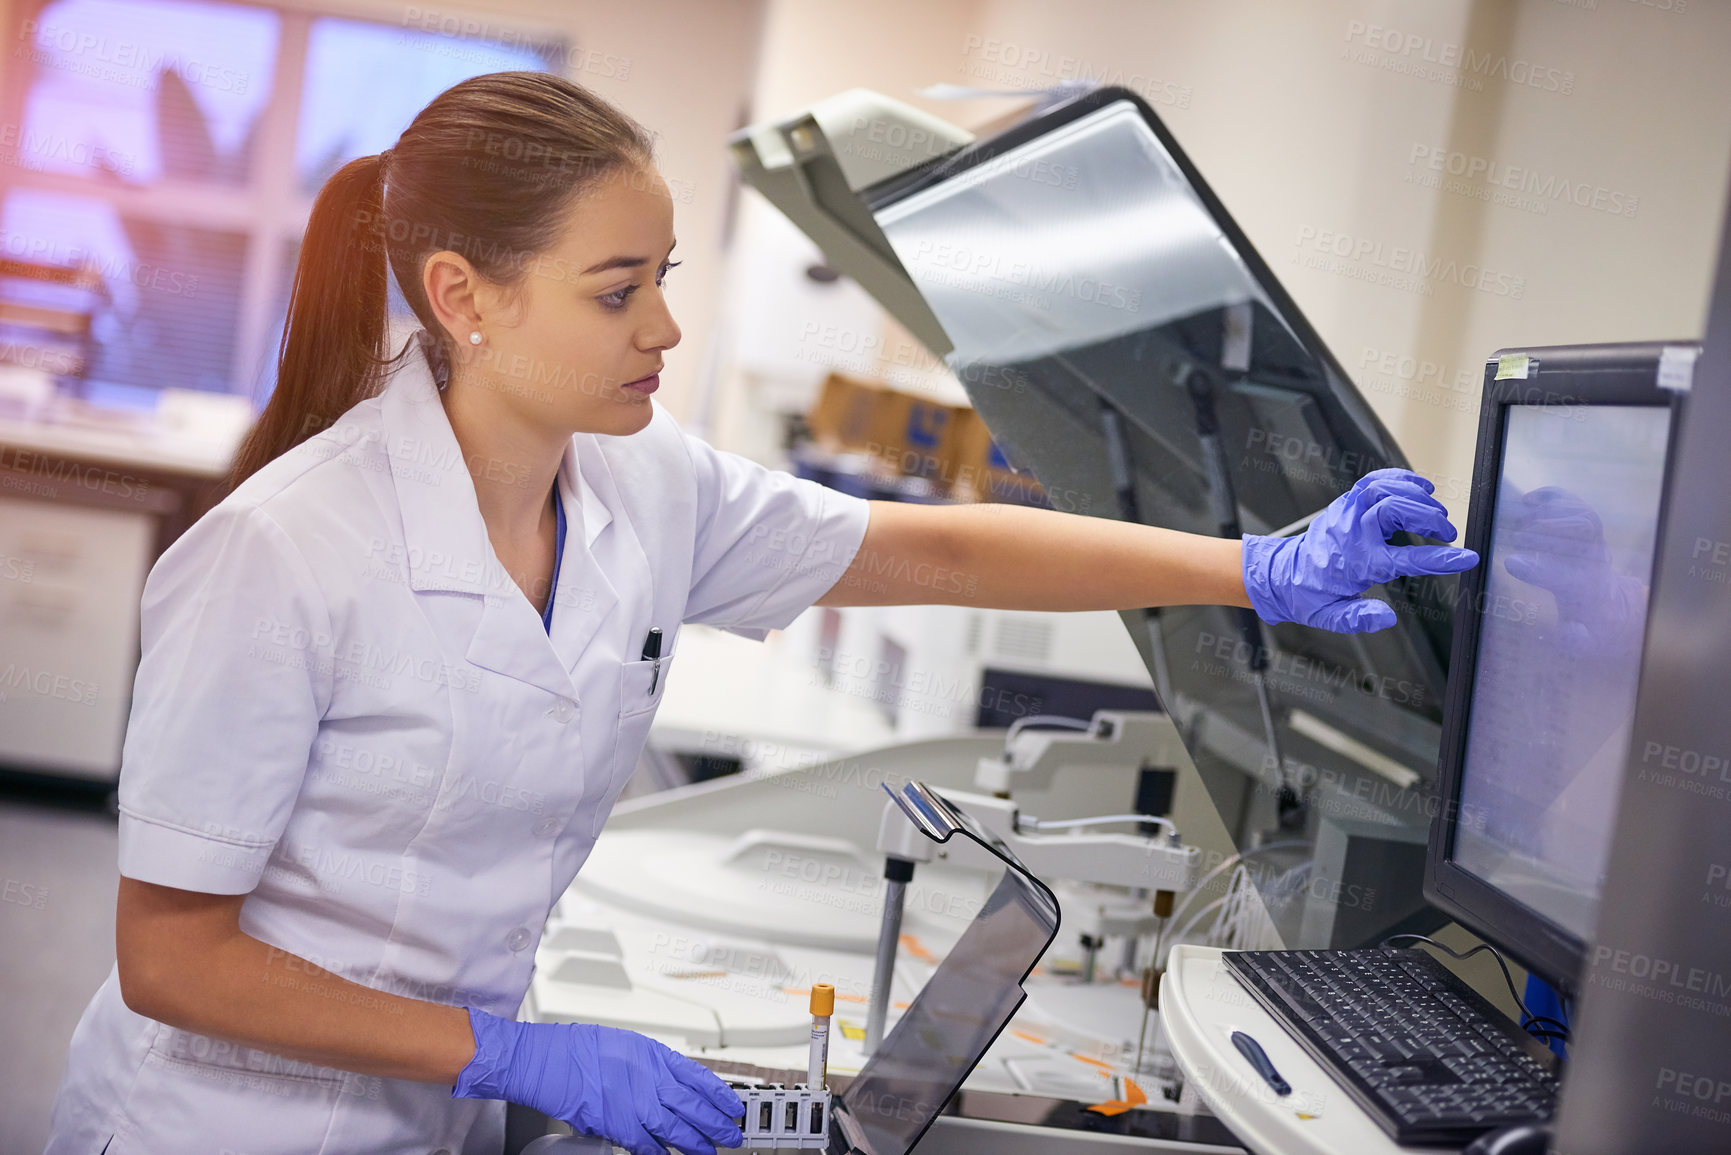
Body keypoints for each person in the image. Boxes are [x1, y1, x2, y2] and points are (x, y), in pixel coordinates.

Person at [43, 72, 1477, 1155]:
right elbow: (173, 956)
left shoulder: (639, 486)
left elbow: (939, 559)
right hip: (219, 1122)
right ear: (463, 298)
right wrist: (500, 1051)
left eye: (662, 279)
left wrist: (1252, 567)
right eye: (618, 293)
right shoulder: (281, 556)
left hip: (429, 1112)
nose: (666, 327)